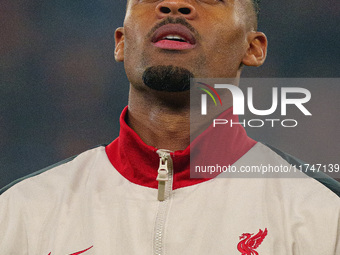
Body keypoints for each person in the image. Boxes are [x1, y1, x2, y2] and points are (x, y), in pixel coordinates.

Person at [1, 0, 339, 254]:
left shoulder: (322, 213)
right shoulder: (19, 212)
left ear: (252, 48)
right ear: (120, 42)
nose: (174, 5)